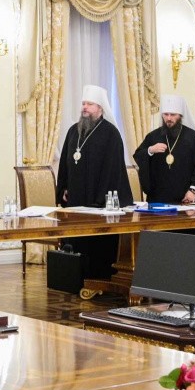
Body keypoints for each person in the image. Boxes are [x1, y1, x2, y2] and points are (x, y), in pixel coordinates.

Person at [55, 85, 132, 279]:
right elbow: (65, 163)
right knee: (76, 243)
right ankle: (74, 279)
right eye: (83, 103)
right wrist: (64, 188)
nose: (85, 107)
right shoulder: (74, 131)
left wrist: (100, 200)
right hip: (76, 201)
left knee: (96, 248)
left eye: (90, 104)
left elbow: (113, 171)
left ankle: (98, 279)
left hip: (99, 203)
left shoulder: (111, 134)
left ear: (100, 108)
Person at [133, 94, 195, 206]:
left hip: (186, 199)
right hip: (158, 199)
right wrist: (150, 150)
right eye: (166, 114)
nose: (169, 118)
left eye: (173, 115)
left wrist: (193, 190)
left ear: (180, 116)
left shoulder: (193, 137)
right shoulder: (153, 136)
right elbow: (138, 155)